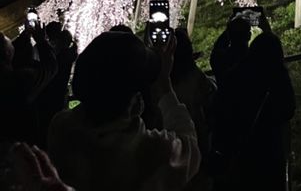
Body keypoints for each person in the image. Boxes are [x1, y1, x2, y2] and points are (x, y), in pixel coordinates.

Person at [47, 29, 201, 191]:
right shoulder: (149, 152)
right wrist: (164, 86)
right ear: (134, 100)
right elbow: (190, 147)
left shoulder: (60, 128)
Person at [209, 12, 295, 191]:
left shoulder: (229, 71)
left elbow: (216, 53)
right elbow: (289, 109)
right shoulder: (275, 78)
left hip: (239, 151)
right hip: (270, 151)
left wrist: (230, 27)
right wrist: (265, 28)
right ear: (249, 35)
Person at [0, 25, 57, 144]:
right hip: (20, 146)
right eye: (9, 40)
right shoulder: (20, 81)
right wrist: (42, 41)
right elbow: (50, 68)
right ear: (7, 52)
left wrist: (25, 36)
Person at [35, 23, 78, 148]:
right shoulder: (69, 55)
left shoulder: (57, 59)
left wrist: (41, 42)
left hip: (47, 100)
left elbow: (49, 65)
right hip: (59, 100)